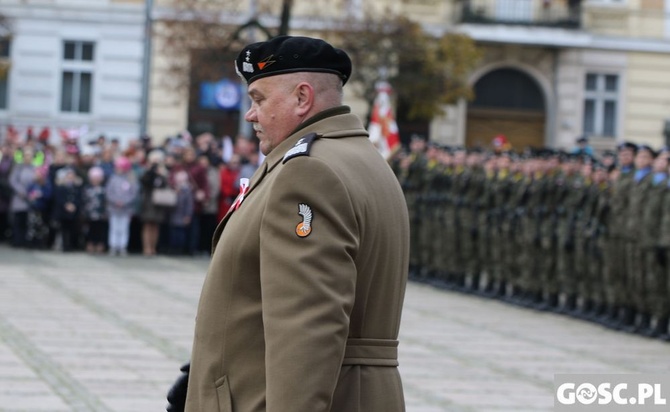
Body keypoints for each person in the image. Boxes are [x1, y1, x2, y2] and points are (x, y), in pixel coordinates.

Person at [166, 35, 410, 412]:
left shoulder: (308, 172)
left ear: (302, 98)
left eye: (259, 99)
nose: (251, 114)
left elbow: (307, 328)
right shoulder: (360, 158)